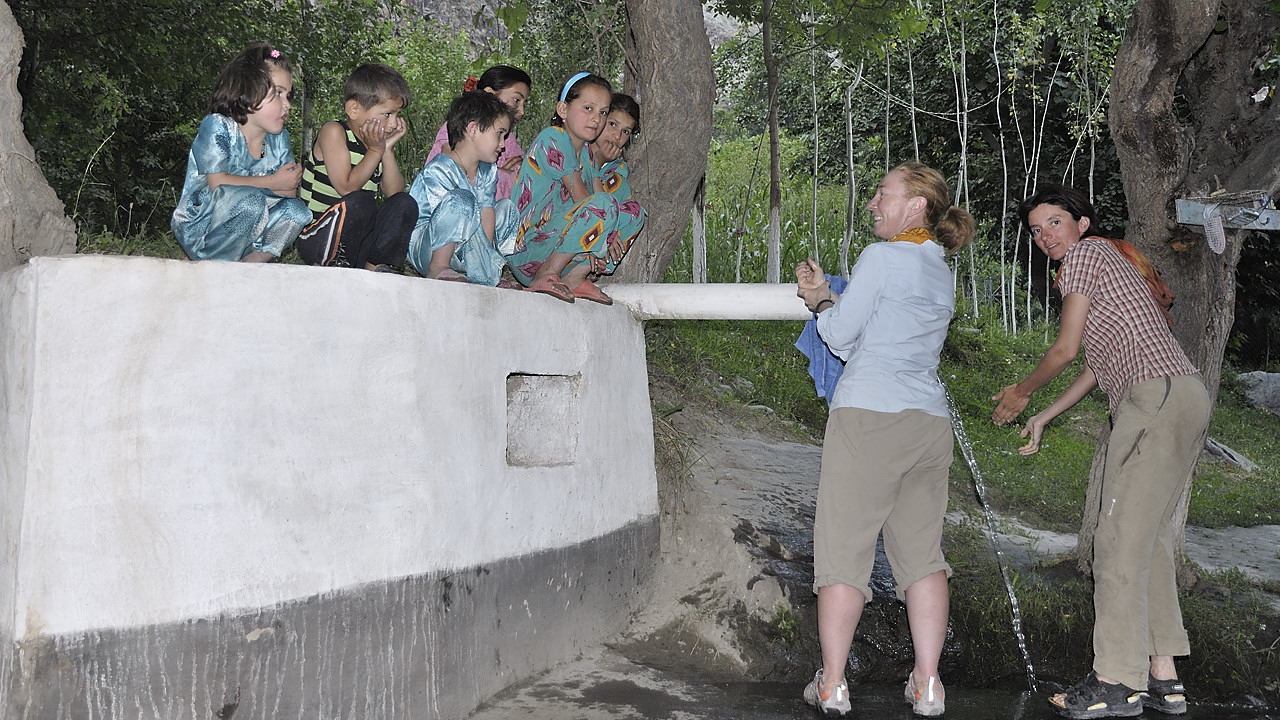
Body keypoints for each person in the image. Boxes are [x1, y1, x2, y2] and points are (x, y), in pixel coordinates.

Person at [991, 185, 1209, 719]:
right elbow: (1094, 364)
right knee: (1148, 541)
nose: (1046, 236)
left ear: (1082, 224)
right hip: (1179, 395)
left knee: (1114, 542)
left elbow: (1064, 350)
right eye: (1037, 230)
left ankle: (1116, 680)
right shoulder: (1111, 263)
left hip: (1153, 398)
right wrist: (1045, 416)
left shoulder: (1086, 257)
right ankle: (1163, 678)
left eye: (1055, 223)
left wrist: (1022, 393)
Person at [795, 163, 974, 718]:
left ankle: (833, 683)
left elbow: (842, 337)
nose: (873, 203)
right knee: (922, 557)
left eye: (882, 194)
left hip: (870, 417)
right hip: (928, 423)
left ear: (916, 206)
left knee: (843, 554)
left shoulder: (882, 257)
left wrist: (821, 300)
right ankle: (927, 685)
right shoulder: (941, 269)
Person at [172, 43, 312, 262]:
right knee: (250, 203)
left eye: (289, 96)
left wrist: (286, 186)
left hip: (252, 226)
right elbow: (217, 184)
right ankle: (216, 265)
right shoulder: (218, 126)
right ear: (248, 90)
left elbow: (286, 194)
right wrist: (275, 180)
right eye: (278, 93)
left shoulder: (279, 139)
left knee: (298, 211)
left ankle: (249, 268)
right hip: (205, 226)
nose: (287, 105)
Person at [506, 72, 624, 305]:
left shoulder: (589, 154)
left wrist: (604, 240)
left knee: (632, 212)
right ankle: (545, 275)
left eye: (603, 112)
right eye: (588, 108)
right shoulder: (553, 138)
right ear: (563, 110)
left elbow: (597, 198)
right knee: (605, 207)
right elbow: (584, 200)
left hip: (557, 244)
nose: (596, 119)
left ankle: (575, 277)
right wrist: (605, 236)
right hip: (528, 251)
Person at [295, 63, 416, 272]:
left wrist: (386, 150)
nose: (395, 124)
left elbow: (394, 194)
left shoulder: (375, 145)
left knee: (405, 203)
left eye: (397, 115)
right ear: (354, 109)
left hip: (357, 243)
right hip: (318, 237)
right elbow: (346, 188)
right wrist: (375, 152)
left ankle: (374, 269)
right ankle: (335, 267)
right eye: (388, 114)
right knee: (361, 202)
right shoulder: (334, 132)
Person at [405, 91, 516, 285]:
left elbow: (487, 212)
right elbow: (445, 218)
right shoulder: (440, 169)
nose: (502, 145)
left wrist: (486, 258)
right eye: (499, 134)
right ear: (472, 129)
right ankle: (439, 266)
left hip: (465, 243)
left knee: (506, 207)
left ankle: (488, 269)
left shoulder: (488, 170)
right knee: (462, 200)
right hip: (429, 246)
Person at [425, 65, 531, 201]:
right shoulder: (455, 126)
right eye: (516, 100)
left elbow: (526, 173)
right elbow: (454, 169)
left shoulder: (507, 138)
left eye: (524, 103)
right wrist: (500, 174)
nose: (521, 111)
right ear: (490, 94)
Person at [584, 93, 646, 277]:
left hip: (602, 233)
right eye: (612, 124)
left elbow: (620, 208)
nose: (617, 135)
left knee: (635, 209)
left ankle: (603, 263)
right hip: (575, 224)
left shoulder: (618, 169)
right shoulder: (578, 150)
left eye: (625, 132)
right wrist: (599, 159)